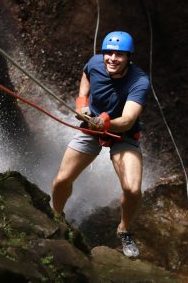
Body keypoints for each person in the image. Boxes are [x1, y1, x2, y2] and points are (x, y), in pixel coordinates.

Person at [51, 31, 150, 257]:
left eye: (119, 55)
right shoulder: (95, 63)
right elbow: (86, 75)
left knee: (133, 189)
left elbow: (126, 121)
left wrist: (102, 122)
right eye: (109, 53)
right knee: (62, 179)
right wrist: (81, 103)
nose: (112, 58)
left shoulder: (139, 81)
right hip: (91, 128)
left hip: (122, 134)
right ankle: (55, 217)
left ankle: (124, 230)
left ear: (129, 57)